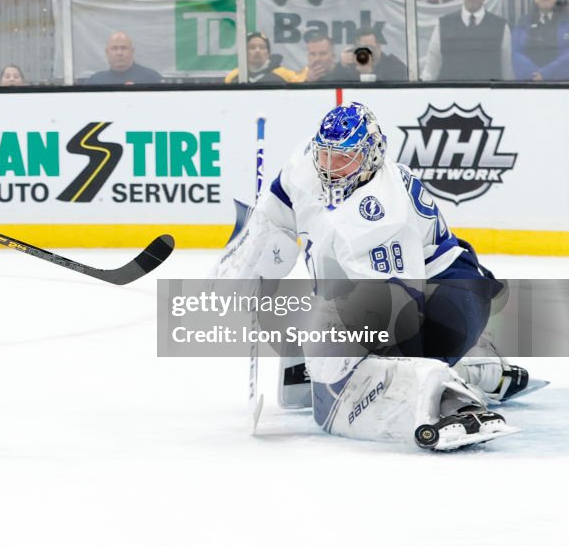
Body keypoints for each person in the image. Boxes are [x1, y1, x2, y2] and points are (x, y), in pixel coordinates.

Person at [210, 102, 530, 450]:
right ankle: (480, 367)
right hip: (414, 286)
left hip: (451, 295)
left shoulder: (380, 214)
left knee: (376, 361)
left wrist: (380, 371)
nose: (330, 167)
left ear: (371, 156)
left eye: (343, 158)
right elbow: (275, 215)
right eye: (325, 154)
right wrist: (248, 261)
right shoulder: (307, 165)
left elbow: (400, 320)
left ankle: (458, 393)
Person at [422, 0, 512, 81]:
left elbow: (507, 68)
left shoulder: (501, 27)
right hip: (451, 93)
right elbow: (432, 65)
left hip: (487, 93)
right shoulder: (443, 24)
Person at [512, 0, 569, 81]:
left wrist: (545, 73)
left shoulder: (567, 21)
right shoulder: (524, 22)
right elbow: (516, 52)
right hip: (530, 83)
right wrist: (534, 74)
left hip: (562, 85)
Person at [85, 31, 163, 85]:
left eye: (124, 48)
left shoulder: (151, 78)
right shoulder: (96, 81)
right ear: (107, 52)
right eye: (114, 48)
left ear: (132, 51)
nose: (119, 53)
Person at [223, 32, 298, 84]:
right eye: (252, 47)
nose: (257, 51)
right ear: (244, 52)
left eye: (262, 47)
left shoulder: (286, 76)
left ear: (268, 53)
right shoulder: (233, 77)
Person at [340, 27, 408, 80]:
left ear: (379, 47)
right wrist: (341, 66)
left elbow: (394, 90)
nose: (366, 51)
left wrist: (369, 74)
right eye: (361, 48)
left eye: (370, 47)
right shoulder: (352, 64)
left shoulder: (393, 65)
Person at [291, 31, 359, 82]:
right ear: (307, 56)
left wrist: (341, 67)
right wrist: (308, 81)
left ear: (333, 56)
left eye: (323, 54)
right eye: (312, 54)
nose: (317, 59)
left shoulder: (348, 73)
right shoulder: (299, 76)